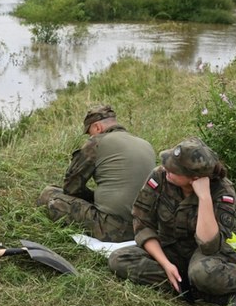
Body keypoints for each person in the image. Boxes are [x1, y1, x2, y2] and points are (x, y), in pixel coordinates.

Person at [108, 137, 236, 306]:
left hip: (208, 256)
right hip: (171, 249)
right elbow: (143, 224)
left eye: (174, 169)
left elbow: (209, 245)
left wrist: (203, 197)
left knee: (202, 273)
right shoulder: (160, 177)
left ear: (194, 178)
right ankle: (208, 293)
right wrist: (166, 265)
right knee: (119, 259)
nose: (165, 168)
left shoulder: (222, 191)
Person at [36, 104, 156, 242]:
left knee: (50, 194)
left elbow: (71, 188)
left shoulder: (97, 142)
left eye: (89, 132)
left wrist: (89, 197)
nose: (90, 136)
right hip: (145, 228)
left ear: (98, 127)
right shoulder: (144, 144)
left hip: (116, 229)